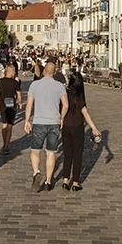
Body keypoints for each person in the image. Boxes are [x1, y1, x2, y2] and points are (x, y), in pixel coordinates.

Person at [24, 62, 68, 193]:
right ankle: (49, 180)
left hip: (39, 122)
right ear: (54, 73)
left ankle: (36, 172)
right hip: (54, 122)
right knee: (51, 152)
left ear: (44, 72)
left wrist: (27, 120)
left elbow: (29, 104)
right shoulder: (60, 86)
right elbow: (65, 105)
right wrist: (62, 118)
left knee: (35, 150)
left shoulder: (35, 85)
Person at [60, 72, 102, 191]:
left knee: (67, 154)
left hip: (66, 126)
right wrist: (93, 128)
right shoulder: (80, 95)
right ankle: (76, 182)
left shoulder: (65, 92)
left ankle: (65, 180)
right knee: (77, 155)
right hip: (77, 127)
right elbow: (85, 113)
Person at [0, 64, 23, 154]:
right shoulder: (15, 82)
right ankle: (6, 146)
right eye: (14, 71)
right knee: (9, 126)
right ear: (11, 72)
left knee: (4, 125)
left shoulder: (0, 81)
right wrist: (20, 103)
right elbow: (18, 94)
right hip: (11, 106)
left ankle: (4, 143)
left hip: (3, 105)